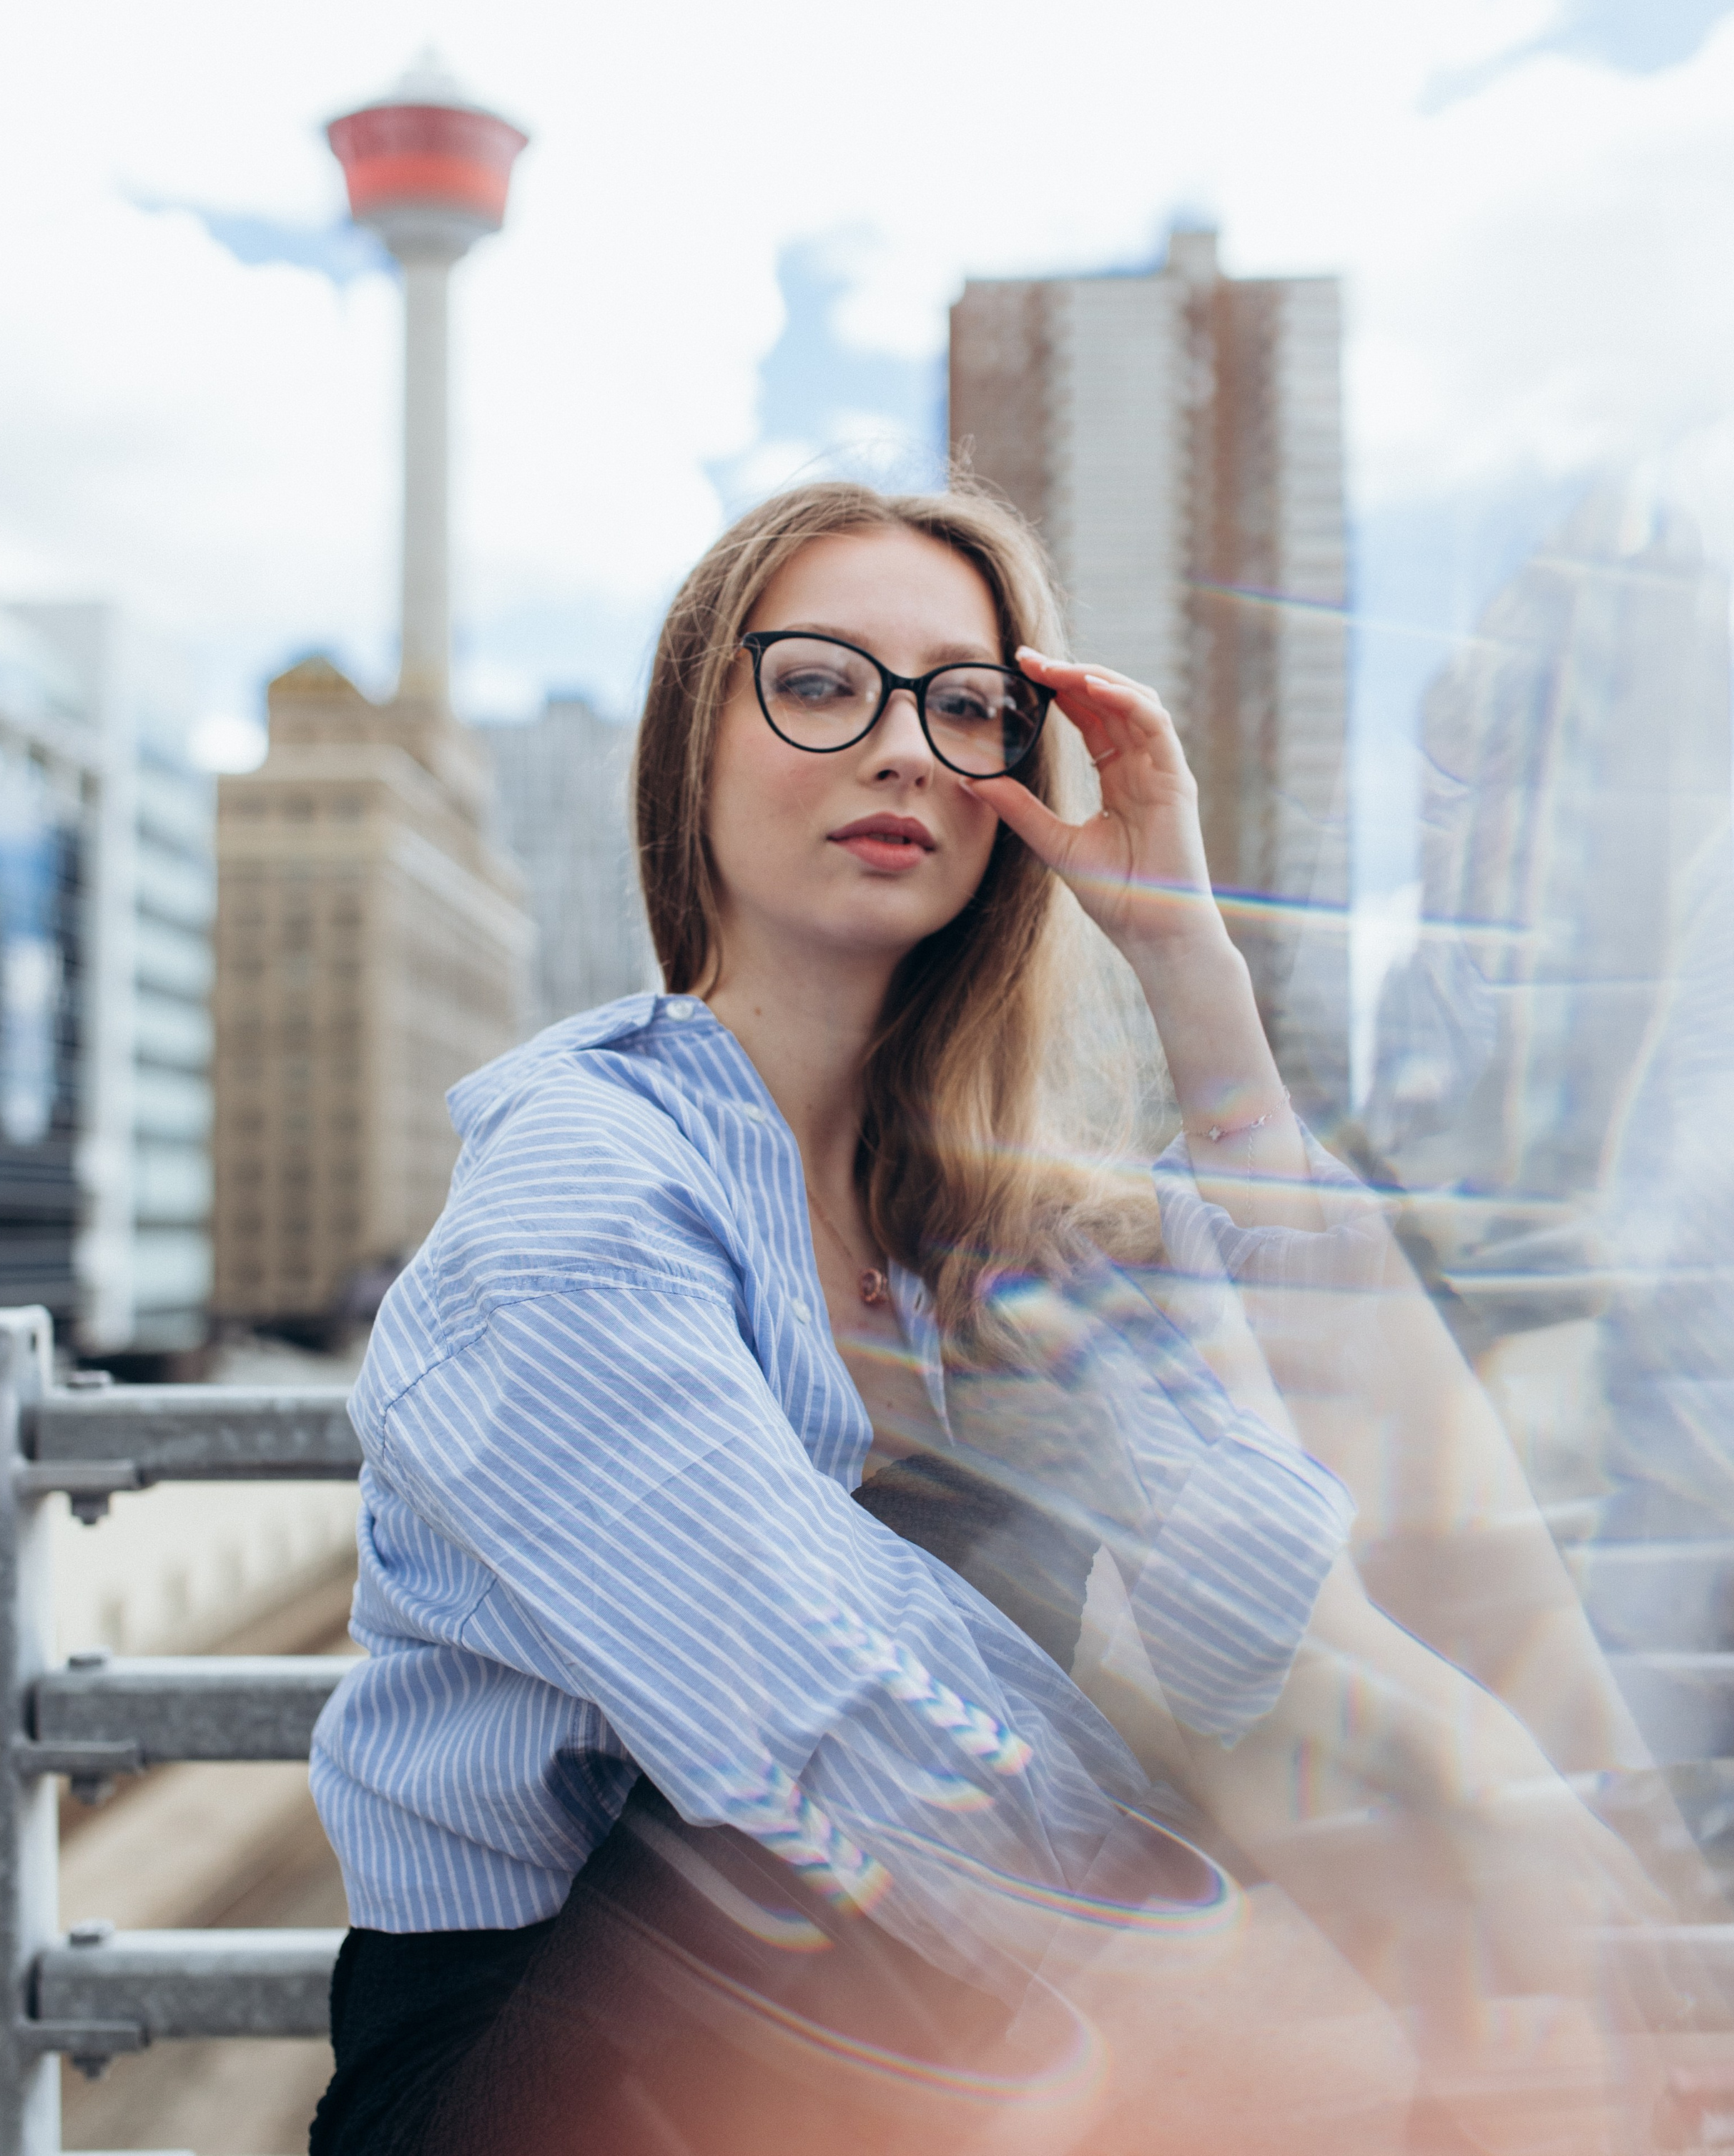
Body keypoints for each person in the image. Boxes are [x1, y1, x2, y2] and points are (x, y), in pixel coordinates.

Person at [307, 481, 1698, 2156]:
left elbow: (1325, 1503)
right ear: (694, 739)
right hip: (553, 2065)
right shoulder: (578, 1198)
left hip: (891, 2018)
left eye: (966, 707)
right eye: (820, 683)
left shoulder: (974, 1220)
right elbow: (846, 1741)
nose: (903, 749)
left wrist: (1191, 969)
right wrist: (1356, 2040)